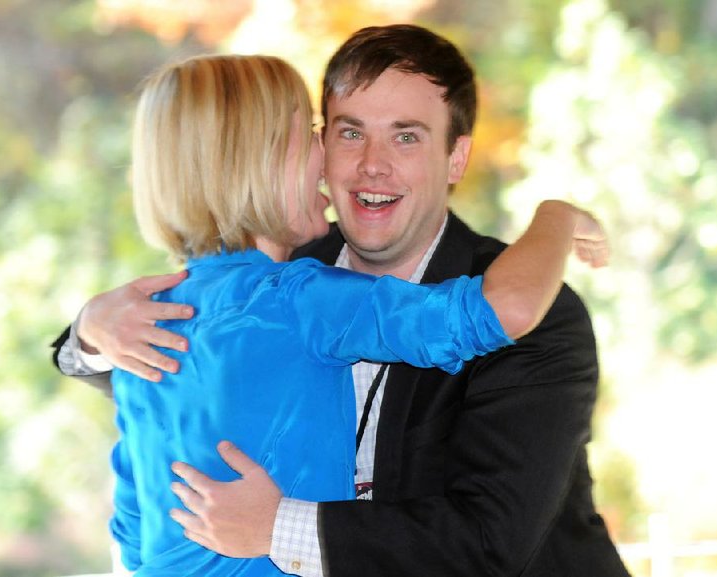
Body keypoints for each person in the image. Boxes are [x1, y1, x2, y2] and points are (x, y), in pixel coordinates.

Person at [52, 25, 629, 577]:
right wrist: (90, 334)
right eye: (348, 132)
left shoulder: (542, 311)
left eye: (406, 136)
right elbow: (180, 376)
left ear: (457, 158)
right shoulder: (287, 287)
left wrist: (278, 527)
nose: (371, 164)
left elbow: (486, 544)